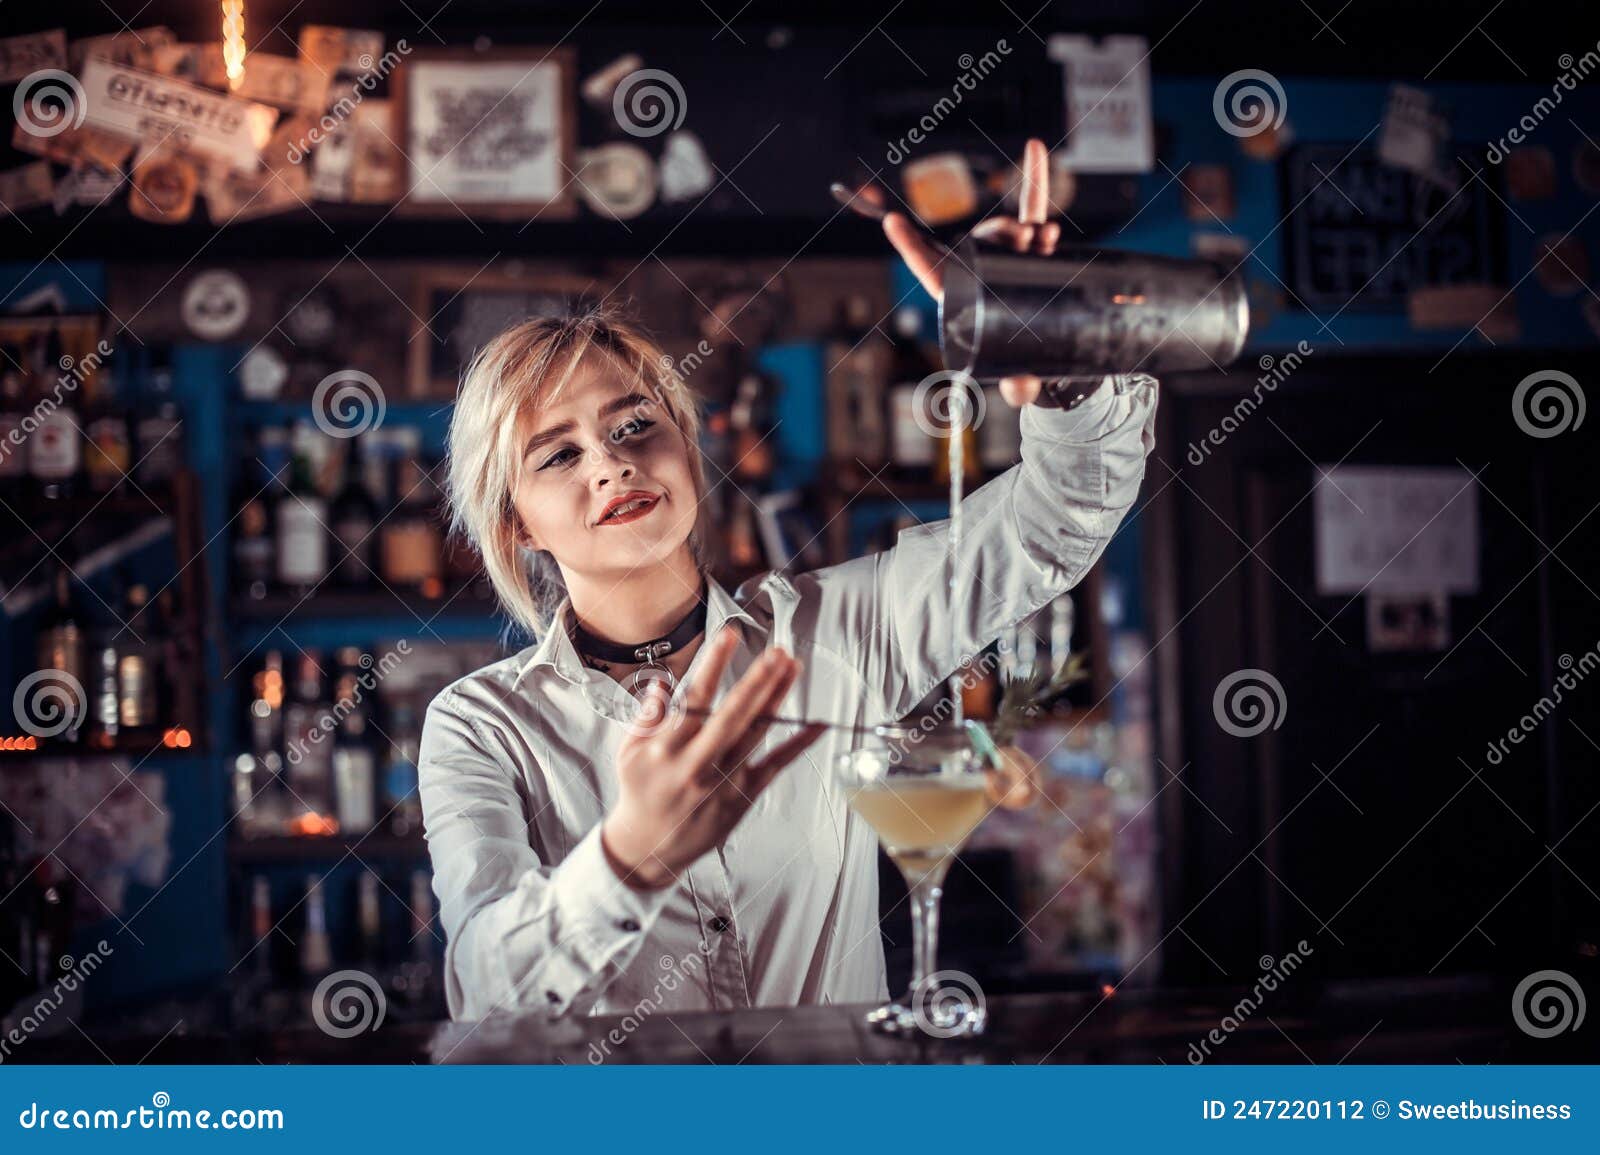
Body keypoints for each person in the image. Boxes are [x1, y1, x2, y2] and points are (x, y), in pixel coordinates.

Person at [420, 140, 1159, 1021]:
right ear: (514, 524)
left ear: (688, 448)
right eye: (559, 455)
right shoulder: (481, 725)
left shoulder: (840, 629)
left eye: (633, 425)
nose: (611, 465)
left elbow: (1055, 522)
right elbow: (484, 987)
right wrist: (628, 859)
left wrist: (1062, 359)